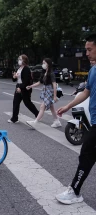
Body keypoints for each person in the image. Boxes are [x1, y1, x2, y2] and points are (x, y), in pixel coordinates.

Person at [55, 34, 96, 205]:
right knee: (87, 155)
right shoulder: (93, 70)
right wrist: (68, 106)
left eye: (89, 49)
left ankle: (75, 191)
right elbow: (86, 92)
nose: (86, 53)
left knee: (86, 155)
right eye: (86, 49)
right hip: (94, 120)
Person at [26, 58, 61, 128]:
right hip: (45, 91)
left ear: (48, 64)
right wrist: (31, 86)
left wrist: (55, 95)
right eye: (43, 63)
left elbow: (54, 84)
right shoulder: (44, 72)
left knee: (42, 107)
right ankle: (57, 121)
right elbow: (40, 82)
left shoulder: (51, 73)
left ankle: (35, 122)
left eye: (44, 63)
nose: (43, 64)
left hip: (50, 92)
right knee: (51, 107)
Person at [8, 55, 39, 123]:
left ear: (24, 60)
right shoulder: (19, 69)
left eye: (20, 59)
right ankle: (14, 118)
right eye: (18, 59)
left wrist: (21, 88)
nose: (19, 60)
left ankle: (38, 114)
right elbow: (14, 79)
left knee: (27, 103)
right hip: (18, 86)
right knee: (15, 102)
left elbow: (26, 81)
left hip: (25, 88)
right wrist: (14, 76)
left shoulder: (26, 69)